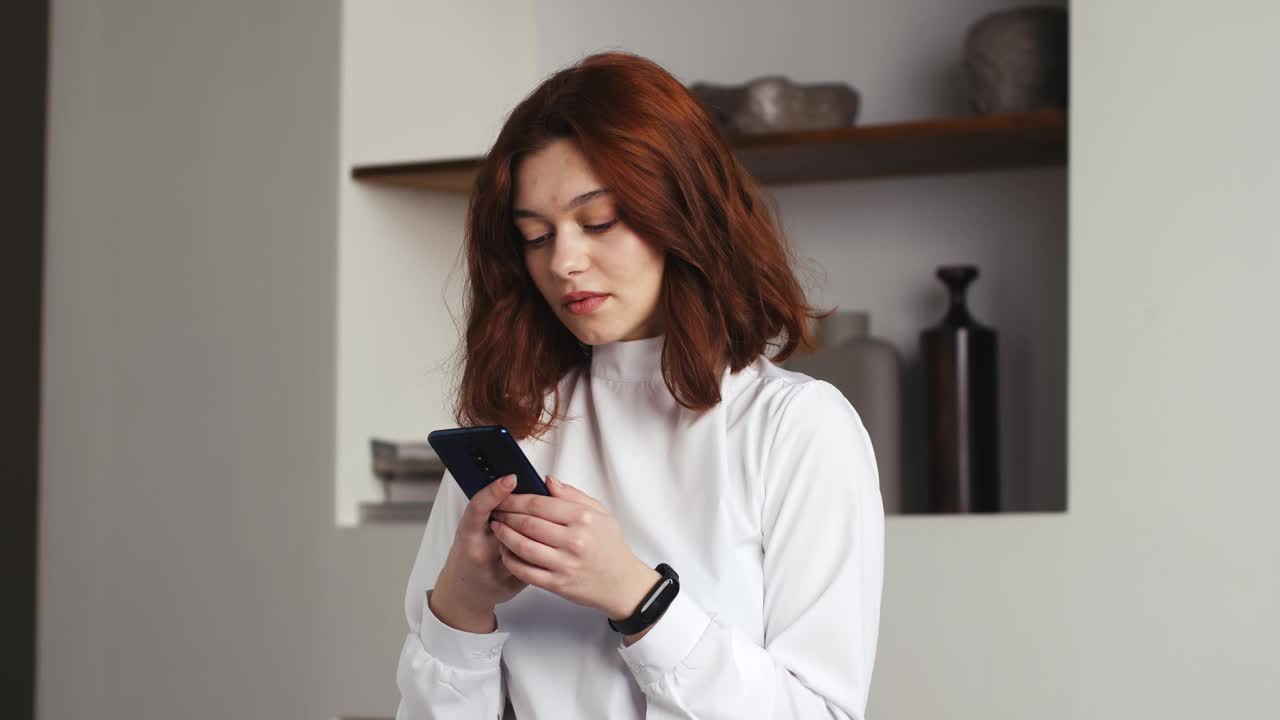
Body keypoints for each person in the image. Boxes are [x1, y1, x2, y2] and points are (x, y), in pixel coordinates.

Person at [395, 51, 884, 720]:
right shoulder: (516, 433)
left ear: (682, 212)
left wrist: (636, 596)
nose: (565, 261)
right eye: (536, 237)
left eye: (597, 223)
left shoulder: (796, 429)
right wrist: (462, 603)